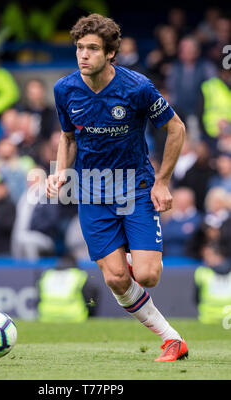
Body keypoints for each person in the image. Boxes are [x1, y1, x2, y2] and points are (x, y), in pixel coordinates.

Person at [46, 13, 187, 362]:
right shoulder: (65, 89)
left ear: (110, 53)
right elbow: (67, 137)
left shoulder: (137, 87)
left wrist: (163, 181)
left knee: (148, 275)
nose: (83, 55)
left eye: (92, 48)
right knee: (116, 280)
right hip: (92, 192)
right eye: (79, 48)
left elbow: (177, 129)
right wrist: (60, 171)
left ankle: (130, 248)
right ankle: (172, 340)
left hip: (136, 188)